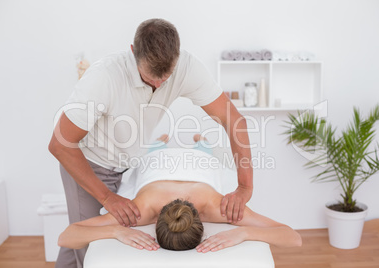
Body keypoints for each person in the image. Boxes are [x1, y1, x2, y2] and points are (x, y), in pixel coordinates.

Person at [49, 18, 253, 268]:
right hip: (88, 163)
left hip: (124, 165)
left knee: (76, 244)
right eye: (150, 78)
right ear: (133, 52)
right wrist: (107, 198)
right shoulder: (104, 77)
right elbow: (60, 145)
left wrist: (244, 187)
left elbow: (234, 120)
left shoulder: (187, 67)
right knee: (89, 246)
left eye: (165, 78)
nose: (158, 85)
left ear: (177, 57)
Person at [58, 134, 302, 252]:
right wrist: (243, 233)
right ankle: (195, 141)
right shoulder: (221, 210)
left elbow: (67, 236)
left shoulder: (138, 213)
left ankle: (184, 141)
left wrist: (116, 231)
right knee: (194, 151)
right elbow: (292, 237)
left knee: (161, 149)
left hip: (165, 161)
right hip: (186, 163)